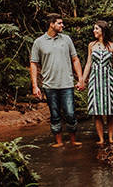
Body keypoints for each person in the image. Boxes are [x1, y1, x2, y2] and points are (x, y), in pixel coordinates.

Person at [29, 13, 85, 146]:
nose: (62, 25)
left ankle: (73, 141)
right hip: (49, 85)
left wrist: (81, 78)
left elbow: (75, 59)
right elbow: (33, 63)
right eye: (59, 23)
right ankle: (59, 143)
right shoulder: (39, 42)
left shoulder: (67, 39)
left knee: (70, 114)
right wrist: (35, 86)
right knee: (54, 115)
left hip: (67, 83)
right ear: (51, 24)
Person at [79, 20, 113, 144]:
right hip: (95, 80)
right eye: (94, 28)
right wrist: (82, 79)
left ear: (103, 30)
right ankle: (101, 139)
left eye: (96, 29)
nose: (94, 31)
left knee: (110, 110)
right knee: (96, 111)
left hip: (109, 80)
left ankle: (110, 137)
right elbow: (88, 63)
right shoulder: (91, 45)